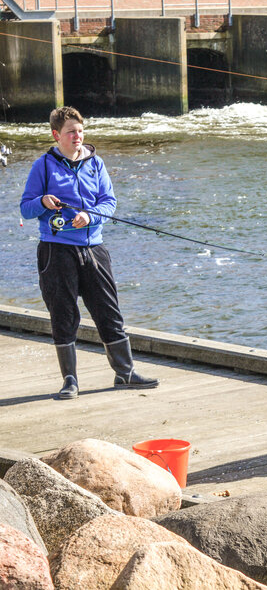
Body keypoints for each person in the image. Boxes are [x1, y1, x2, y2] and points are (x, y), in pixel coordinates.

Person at [19, 106, 159, 400]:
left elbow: (109, 202)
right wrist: (43, 201)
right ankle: (70, 380)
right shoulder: (42, 166)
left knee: (109, 311)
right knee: (64, 314)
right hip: (56, 251)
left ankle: (125, 373)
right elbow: (25, 208)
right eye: (71, 132)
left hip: (94, 249)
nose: (77, 137)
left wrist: (90, 216)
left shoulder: (96, 164)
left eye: (80, 131)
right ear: (57, 135)